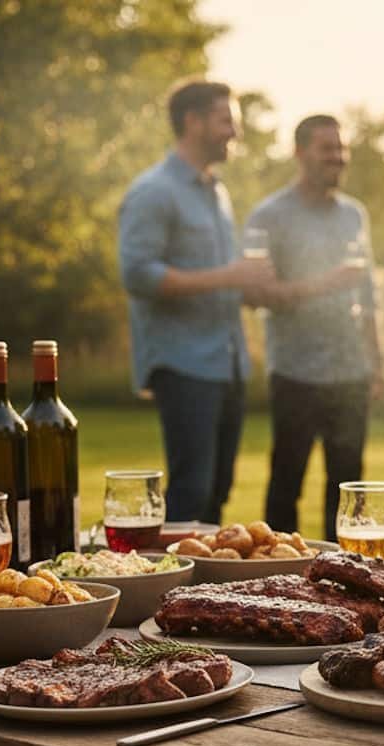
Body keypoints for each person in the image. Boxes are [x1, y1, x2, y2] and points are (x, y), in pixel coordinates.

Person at [118, 79, 272, 524]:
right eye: (226, 121)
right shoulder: (154, 191)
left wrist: (249, 287)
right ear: (193, 122)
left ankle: (205, 572)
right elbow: (138, 275)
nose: (235, 132)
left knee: (217, 490)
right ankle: (171, 571)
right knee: (192, 491)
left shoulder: (217, 192)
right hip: (184, 364)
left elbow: (218, 278)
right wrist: (230, 276)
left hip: (228, 364)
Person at [243, 115, 384, 541]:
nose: (337, 157)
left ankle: (343, 573)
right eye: (327, 148)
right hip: (295, 372)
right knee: (286, 485)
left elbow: (368, 295)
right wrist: (326, 283)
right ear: (300, 152)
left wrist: (377, 362)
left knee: (348, 491)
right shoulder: (269, 216)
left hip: (351, 372)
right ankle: (277, 572)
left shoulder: (354, 215)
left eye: (341, 148)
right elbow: (255, 294)